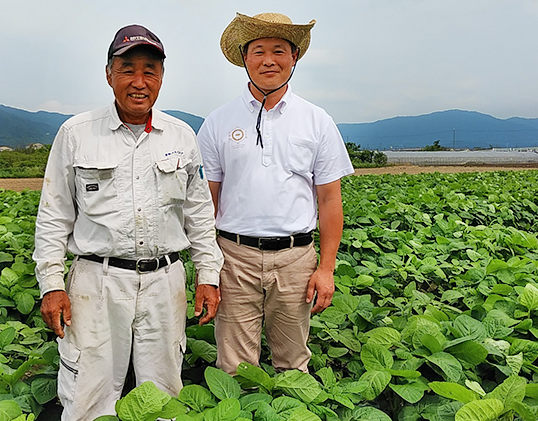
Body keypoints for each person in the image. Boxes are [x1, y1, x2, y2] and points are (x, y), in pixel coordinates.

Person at [33, 24, 223, 420]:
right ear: (109, 74)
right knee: (88, 392)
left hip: (164, 281)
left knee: (164, 393)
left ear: (161, 77)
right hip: (96, 281)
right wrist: (51, 285)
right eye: (127, 69)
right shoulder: (76, 134)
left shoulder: (182, 136)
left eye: (149, 70)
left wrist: (208, 275)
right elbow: (53, 217)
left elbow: (200, 215)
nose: (139, 82)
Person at [197, 12, 354, 375]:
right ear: (244, 58)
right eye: (259, 51)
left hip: (296, 259)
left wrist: (326, 268)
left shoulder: (317, 121)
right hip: (233, 257)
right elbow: (208, 200)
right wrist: (206, 267)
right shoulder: (218, 122)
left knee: (293, 363)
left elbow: (330, 200)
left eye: (279, 50)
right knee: (233, 367)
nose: (269, 60)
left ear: (295, 57)